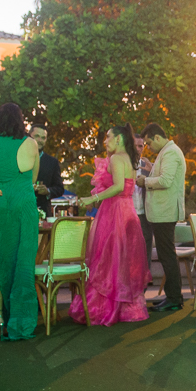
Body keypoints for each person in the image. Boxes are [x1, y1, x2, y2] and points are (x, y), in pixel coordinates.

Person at [69, 125, 151, 326]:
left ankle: (105, 308)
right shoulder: (130, 159)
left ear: (119, 139)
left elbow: (119, 186)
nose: (105, 141)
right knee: (121, 260)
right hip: (128, 210)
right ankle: (123, 308)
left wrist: (92, 198)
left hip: (115, 211)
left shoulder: (116, 159)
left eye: (108, 137)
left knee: (107, 259)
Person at [0, 103, 40, 340]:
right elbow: (32, 178)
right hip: (23, 204)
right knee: (23, 260)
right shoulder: (31, 143)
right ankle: (20, 318)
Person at [138, 123, 186, 312]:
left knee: (167, 256)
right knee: (167, 255)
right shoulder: (166, 152)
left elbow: (165, 181)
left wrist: (145, 181)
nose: (148, 148)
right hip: (162, 213)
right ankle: (173, 296)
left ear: (157, 137)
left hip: (165, 213)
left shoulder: (171, 152)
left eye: (149, 143)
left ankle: (174, 298)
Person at [30, 125, 64, 216]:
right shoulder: (19, 158)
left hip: (42, 212)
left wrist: (48, 191)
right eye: (37, 136)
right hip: (19, 210)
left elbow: (60, 188)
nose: (40, 140)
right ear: (29, 136)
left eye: (43, 138)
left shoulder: (52, 162)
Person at [133, 134, 154, 269]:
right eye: (134, 145)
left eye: (140, 146)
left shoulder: (149, 166)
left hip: (145, 215)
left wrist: (152, 173)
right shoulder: (121, 165)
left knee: (145, 251)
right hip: (127, 214)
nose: (137, 148)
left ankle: (145, 279)